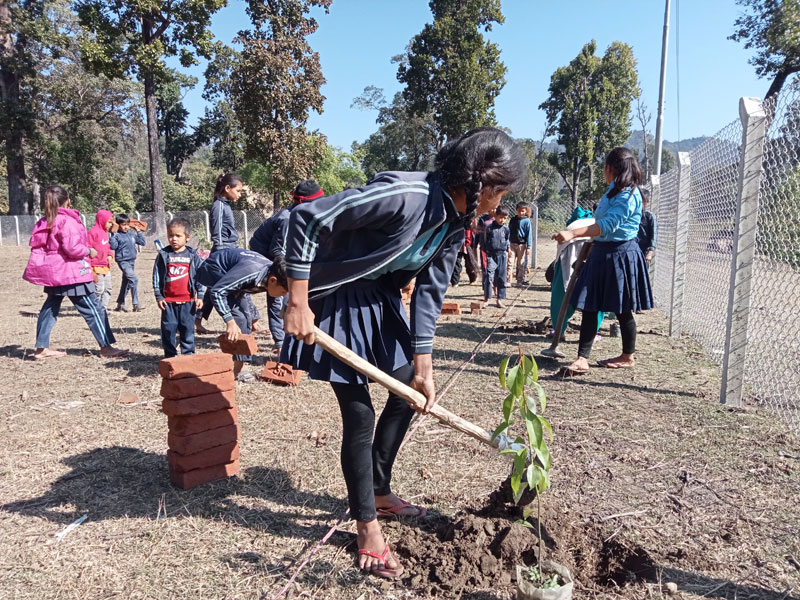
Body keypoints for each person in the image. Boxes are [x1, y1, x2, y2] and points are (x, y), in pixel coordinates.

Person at [280, 127, 528, 579]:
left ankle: (377, 488)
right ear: (483, 183)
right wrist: (297, 302)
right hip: (338, 298)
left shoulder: (458, 220)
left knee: (406, 395)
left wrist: (424, 368)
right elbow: (309, 219)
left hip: (380, 301)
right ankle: (367, 529)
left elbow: (431, 293)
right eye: (502, 190)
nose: (503, 200)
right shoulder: (407, 195)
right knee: (359, 416)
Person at [551, 147, 653, 375]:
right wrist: (592, 244)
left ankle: (627, 356)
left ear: (611, 168)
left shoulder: (629, 195)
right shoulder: (613, 189)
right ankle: (581, 359)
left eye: (604, 167)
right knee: (590, 303)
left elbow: (607, 225)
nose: (603, 172)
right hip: (601, 251)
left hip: (622, 254)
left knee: (623, 308)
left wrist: (573, 234)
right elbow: (601, 223)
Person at [23, 185, 128, 359]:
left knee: (49, 309)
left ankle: (41, 349)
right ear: (68, 201)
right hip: (73, 274)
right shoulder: (67, 221)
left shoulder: (45, 221)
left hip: (54, 274)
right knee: (95, 309)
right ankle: (106, 347)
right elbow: (72, 249)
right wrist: (89, 251)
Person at [250, 179, 324, 351]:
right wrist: (287, 275)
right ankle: (281, 343)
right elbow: (277, 251)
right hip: (264, 255)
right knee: (278, 295)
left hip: (279, 256)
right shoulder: (288, 219)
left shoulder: (301, 216)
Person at [196, 248, 288, 383]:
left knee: (246, 317)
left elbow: (276, 310)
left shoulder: (272, 277)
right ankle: (235, 371)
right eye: (284, 291)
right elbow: (217, 292)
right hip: (214, 268)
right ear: (273, 281)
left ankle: (241, 359)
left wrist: (280, 344)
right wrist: (230, 321)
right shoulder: (252, 272)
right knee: (239, 319)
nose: (284, 295)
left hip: (234, 273)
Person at [196, 173, 263, 334]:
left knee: (213, 288)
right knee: (240, 287)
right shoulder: (219, 206)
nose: (240, 195)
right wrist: (221, 257)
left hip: (230, 249)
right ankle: (253, 321)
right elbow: (217, 233)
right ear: (227, 188)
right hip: (223, 253)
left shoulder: (225, 205)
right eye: (238, 191)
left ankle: (197, 320)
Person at [153, 218, 206, 358]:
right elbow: (156, 276)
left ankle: (188, 357)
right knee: (168, 331)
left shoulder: (193, 256)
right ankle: (170, 357)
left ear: (187, 237)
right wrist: (159, 296)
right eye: (171, 235)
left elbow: (200, 277)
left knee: (187, 331)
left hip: (188, 302)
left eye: (178, 236)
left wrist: (200, 295)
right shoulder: (164, 255)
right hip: (168, 303)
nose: (173, 239)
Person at [110, 214, 146, 312]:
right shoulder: (117, 235)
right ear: (118, 225)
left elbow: (142, 242)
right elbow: (113, 246)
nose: (126, 227)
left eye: (127, 224)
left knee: (126, 282)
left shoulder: (131, 235)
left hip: (131, 261)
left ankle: (120, 304)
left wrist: (139, 232)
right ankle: (136, 303)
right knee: (134, 279)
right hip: (123, 261)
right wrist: (113, 235)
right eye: (123, 224)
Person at [477, 204, 511, 308]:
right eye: (500, 217)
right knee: (488, 276)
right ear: (495, 216)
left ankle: (500, 299)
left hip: (502, 255)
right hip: (490, 256)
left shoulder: (506, 229)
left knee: (501, 278)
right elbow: (483, 241)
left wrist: (508, 249)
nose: (502, 220)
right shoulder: (489, 228)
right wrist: (485, 252)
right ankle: (487, 299)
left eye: (505, 218)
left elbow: (507, 239)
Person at [87, 209, 115, 309]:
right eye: (109, 222)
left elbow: (107, 247)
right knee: (98, 289)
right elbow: (88, 248)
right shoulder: (92, 232)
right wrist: (89, 266)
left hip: (105, 266)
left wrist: (110, 255)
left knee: (108, 289)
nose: (111, 225)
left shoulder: (105, 233)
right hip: (96, 266)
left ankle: (103, 308)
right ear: (102, 220)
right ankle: (94, 307)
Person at [508, 201, 533, 287]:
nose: (521, 213)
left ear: (526, 211)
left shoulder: (527, 221)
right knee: (510, 262)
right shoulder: (512, 220)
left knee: (521, 263)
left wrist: (528, 247)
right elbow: (508, 232)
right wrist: (507, 244)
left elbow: (529, 234)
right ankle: (508, 280)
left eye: (523, 211)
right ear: (516, 210)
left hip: (522, 245)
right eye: (519, 211)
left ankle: (520, 280)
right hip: (512, 244)